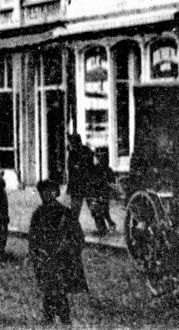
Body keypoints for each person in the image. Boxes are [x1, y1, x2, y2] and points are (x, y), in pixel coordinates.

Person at [29, 179, 88, 325]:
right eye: (42, 192)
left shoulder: (62, 213)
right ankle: (57, 319)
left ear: (55, 193)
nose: (45, 195)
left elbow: (78, 238)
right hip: (51, 258)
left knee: (53, 289)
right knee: (53, 289)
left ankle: (58, 319)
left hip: (58, 259)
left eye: (48, 191)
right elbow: (33, 238)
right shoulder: (41, 213)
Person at [66, 134, 95, 225]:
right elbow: (70, 169)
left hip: (86, 183)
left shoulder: (85, 151)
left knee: (93, 207)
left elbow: (90, 166)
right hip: (77, 185)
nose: (71, 144)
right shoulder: (73, 152)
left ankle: (102, 227)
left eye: (72, 142)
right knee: (75, 209)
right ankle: (73, 228)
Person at [88, 151, 117, 234]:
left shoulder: (98, 169)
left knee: (98, 211)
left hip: (100, 193)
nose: (94, 160)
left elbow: (97, 182)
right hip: (102, 193)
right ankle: (109, 225)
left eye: (96, 159)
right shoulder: (106, 169)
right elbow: (112, 182)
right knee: (104, 211)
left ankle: (103, 228)